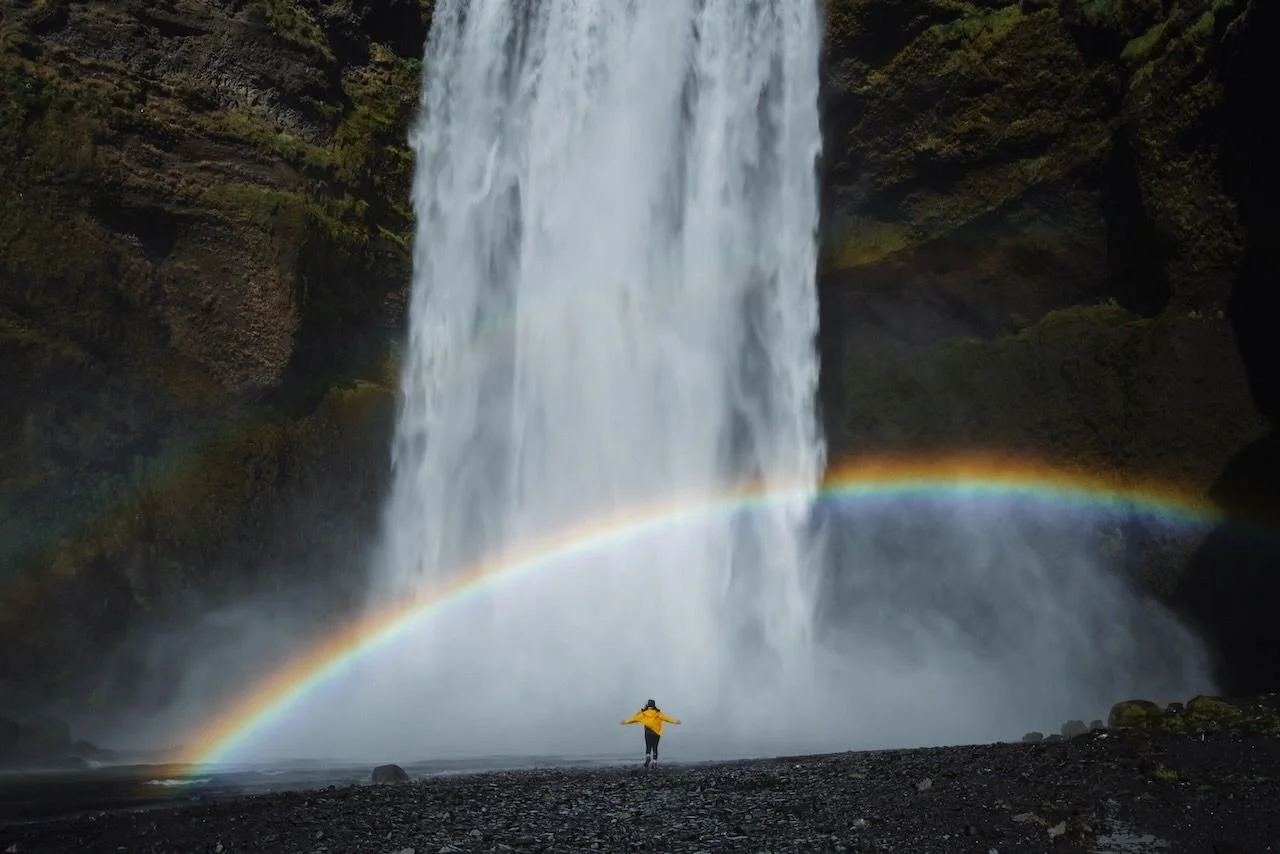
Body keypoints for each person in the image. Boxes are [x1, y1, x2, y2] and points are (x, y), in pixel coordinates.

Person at [620, 699, 680, 768]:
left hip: (648, 732)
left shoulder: (644, 714)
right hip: (656, 732)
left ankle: (648, 757)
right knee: (655, 747)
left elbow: (634, 719)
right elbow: (667, 718)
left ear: (648, 705)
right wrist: (675, 721)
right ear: (654, 705)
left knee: (648, 746)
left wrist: (625, 721)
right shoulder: (658, 713)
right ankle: (654, 762)